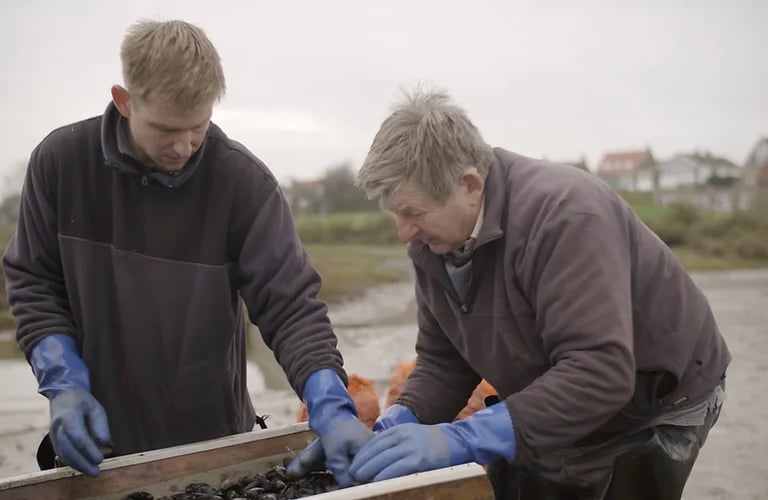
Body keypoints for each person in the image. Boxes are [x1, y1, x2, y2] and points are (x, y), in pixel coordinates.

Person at [1, 19, 371, 485]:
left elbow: (291, 305)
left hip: (217, 448)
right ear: (124, 100)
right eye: (166, 129)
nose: (183, 147)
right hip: (99, 450)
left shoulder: (243, 184)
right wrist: (64, 382)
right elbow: (34, 281)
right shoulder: (60, 165)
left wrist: (328, 399)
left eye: (198, 128)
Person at [342, 88, 730, 499]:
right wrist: (404, 418)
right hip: (556, 379)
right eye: (396, 214)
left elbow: (599, 371)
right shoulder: (431, 245)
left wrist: (459, 439)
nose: (404, 233)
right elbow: (445, 359)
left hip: (651, 399)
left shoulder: (566, 216)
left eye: (414, 213)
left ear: (470, 185)